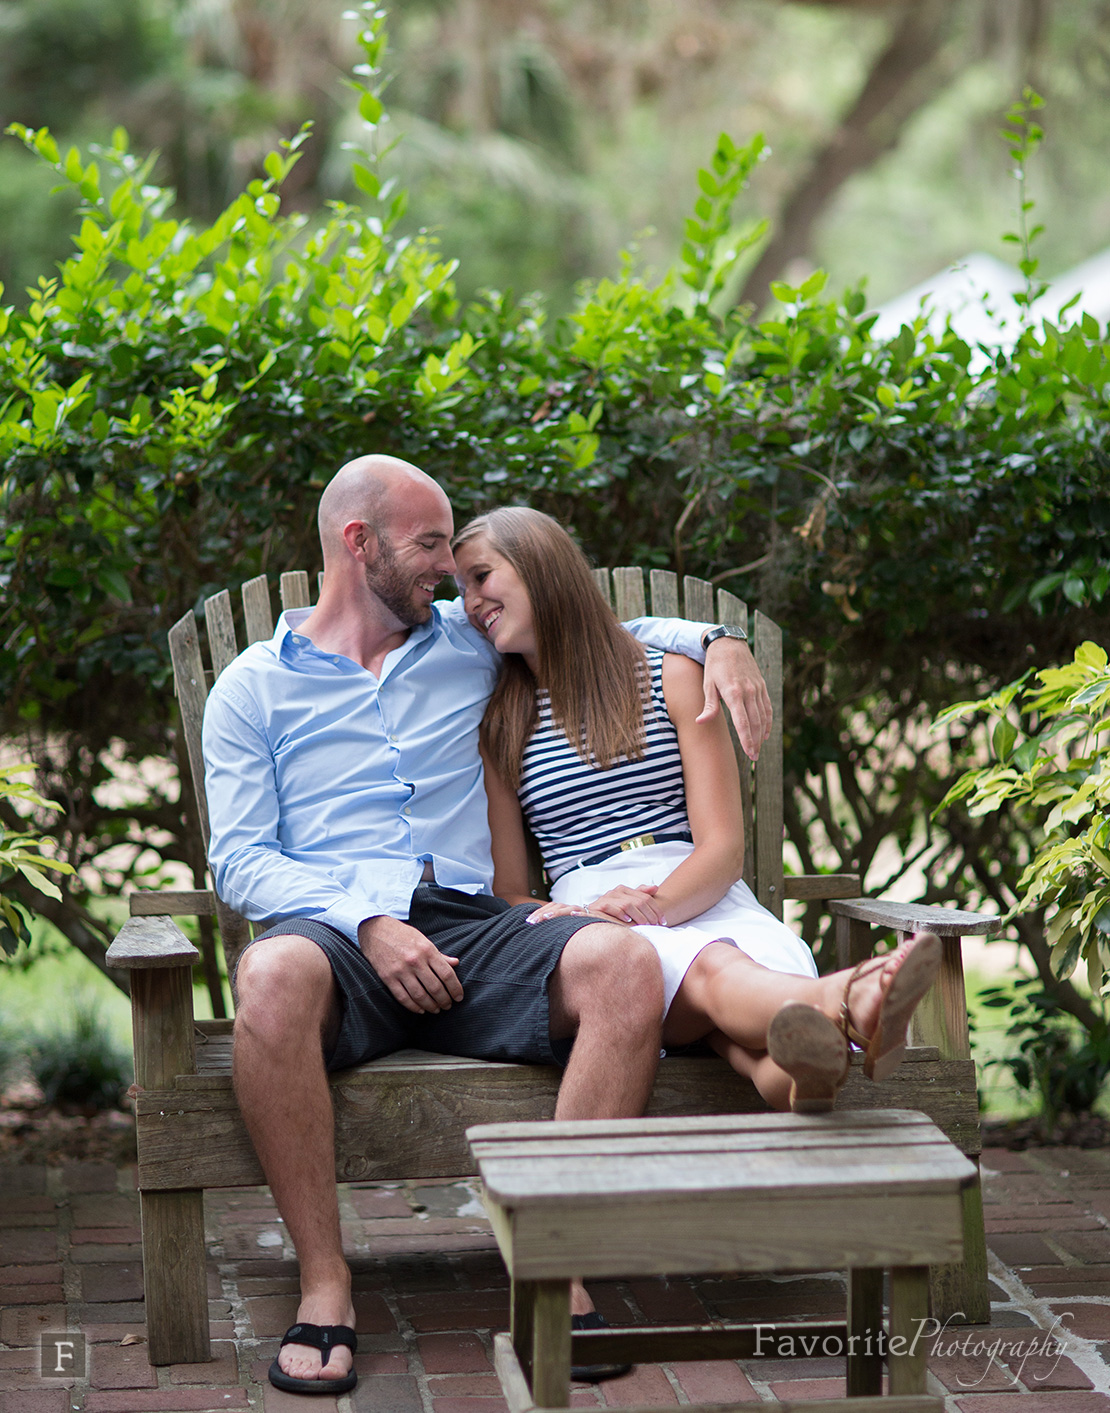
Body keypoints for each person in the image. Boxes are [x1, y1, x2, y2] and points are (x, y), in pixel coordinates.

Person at [200, 455, 774, 1396]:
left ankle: (555, 1265)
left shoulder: (463, 642)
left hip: (477, 921)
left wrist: (715, 637)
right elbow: (241, 861)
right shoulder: (253, 689)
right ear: (360, 543)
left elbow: (596, 629)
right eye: (430, 544)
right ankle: (327, 1284)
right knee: (267, 977)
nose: (447, 571)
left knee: (624, 965)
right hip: (338, 933)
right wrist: (369, 920)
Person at [452, 506, 943, 1115]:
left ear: (538, 567)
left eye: (479, 577)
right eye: (460, 589)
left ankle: (805, 1073)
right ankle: (849, 1000)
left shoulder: (674, 676)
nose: (469, 602)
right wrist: (586, 915)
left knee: (739, 1014)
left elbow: (722, 849)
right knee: (713, 968)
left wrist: (655, 906)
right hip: (597, 923)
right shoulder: (502, 725)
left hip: (706, 891)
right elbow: (510, 892)